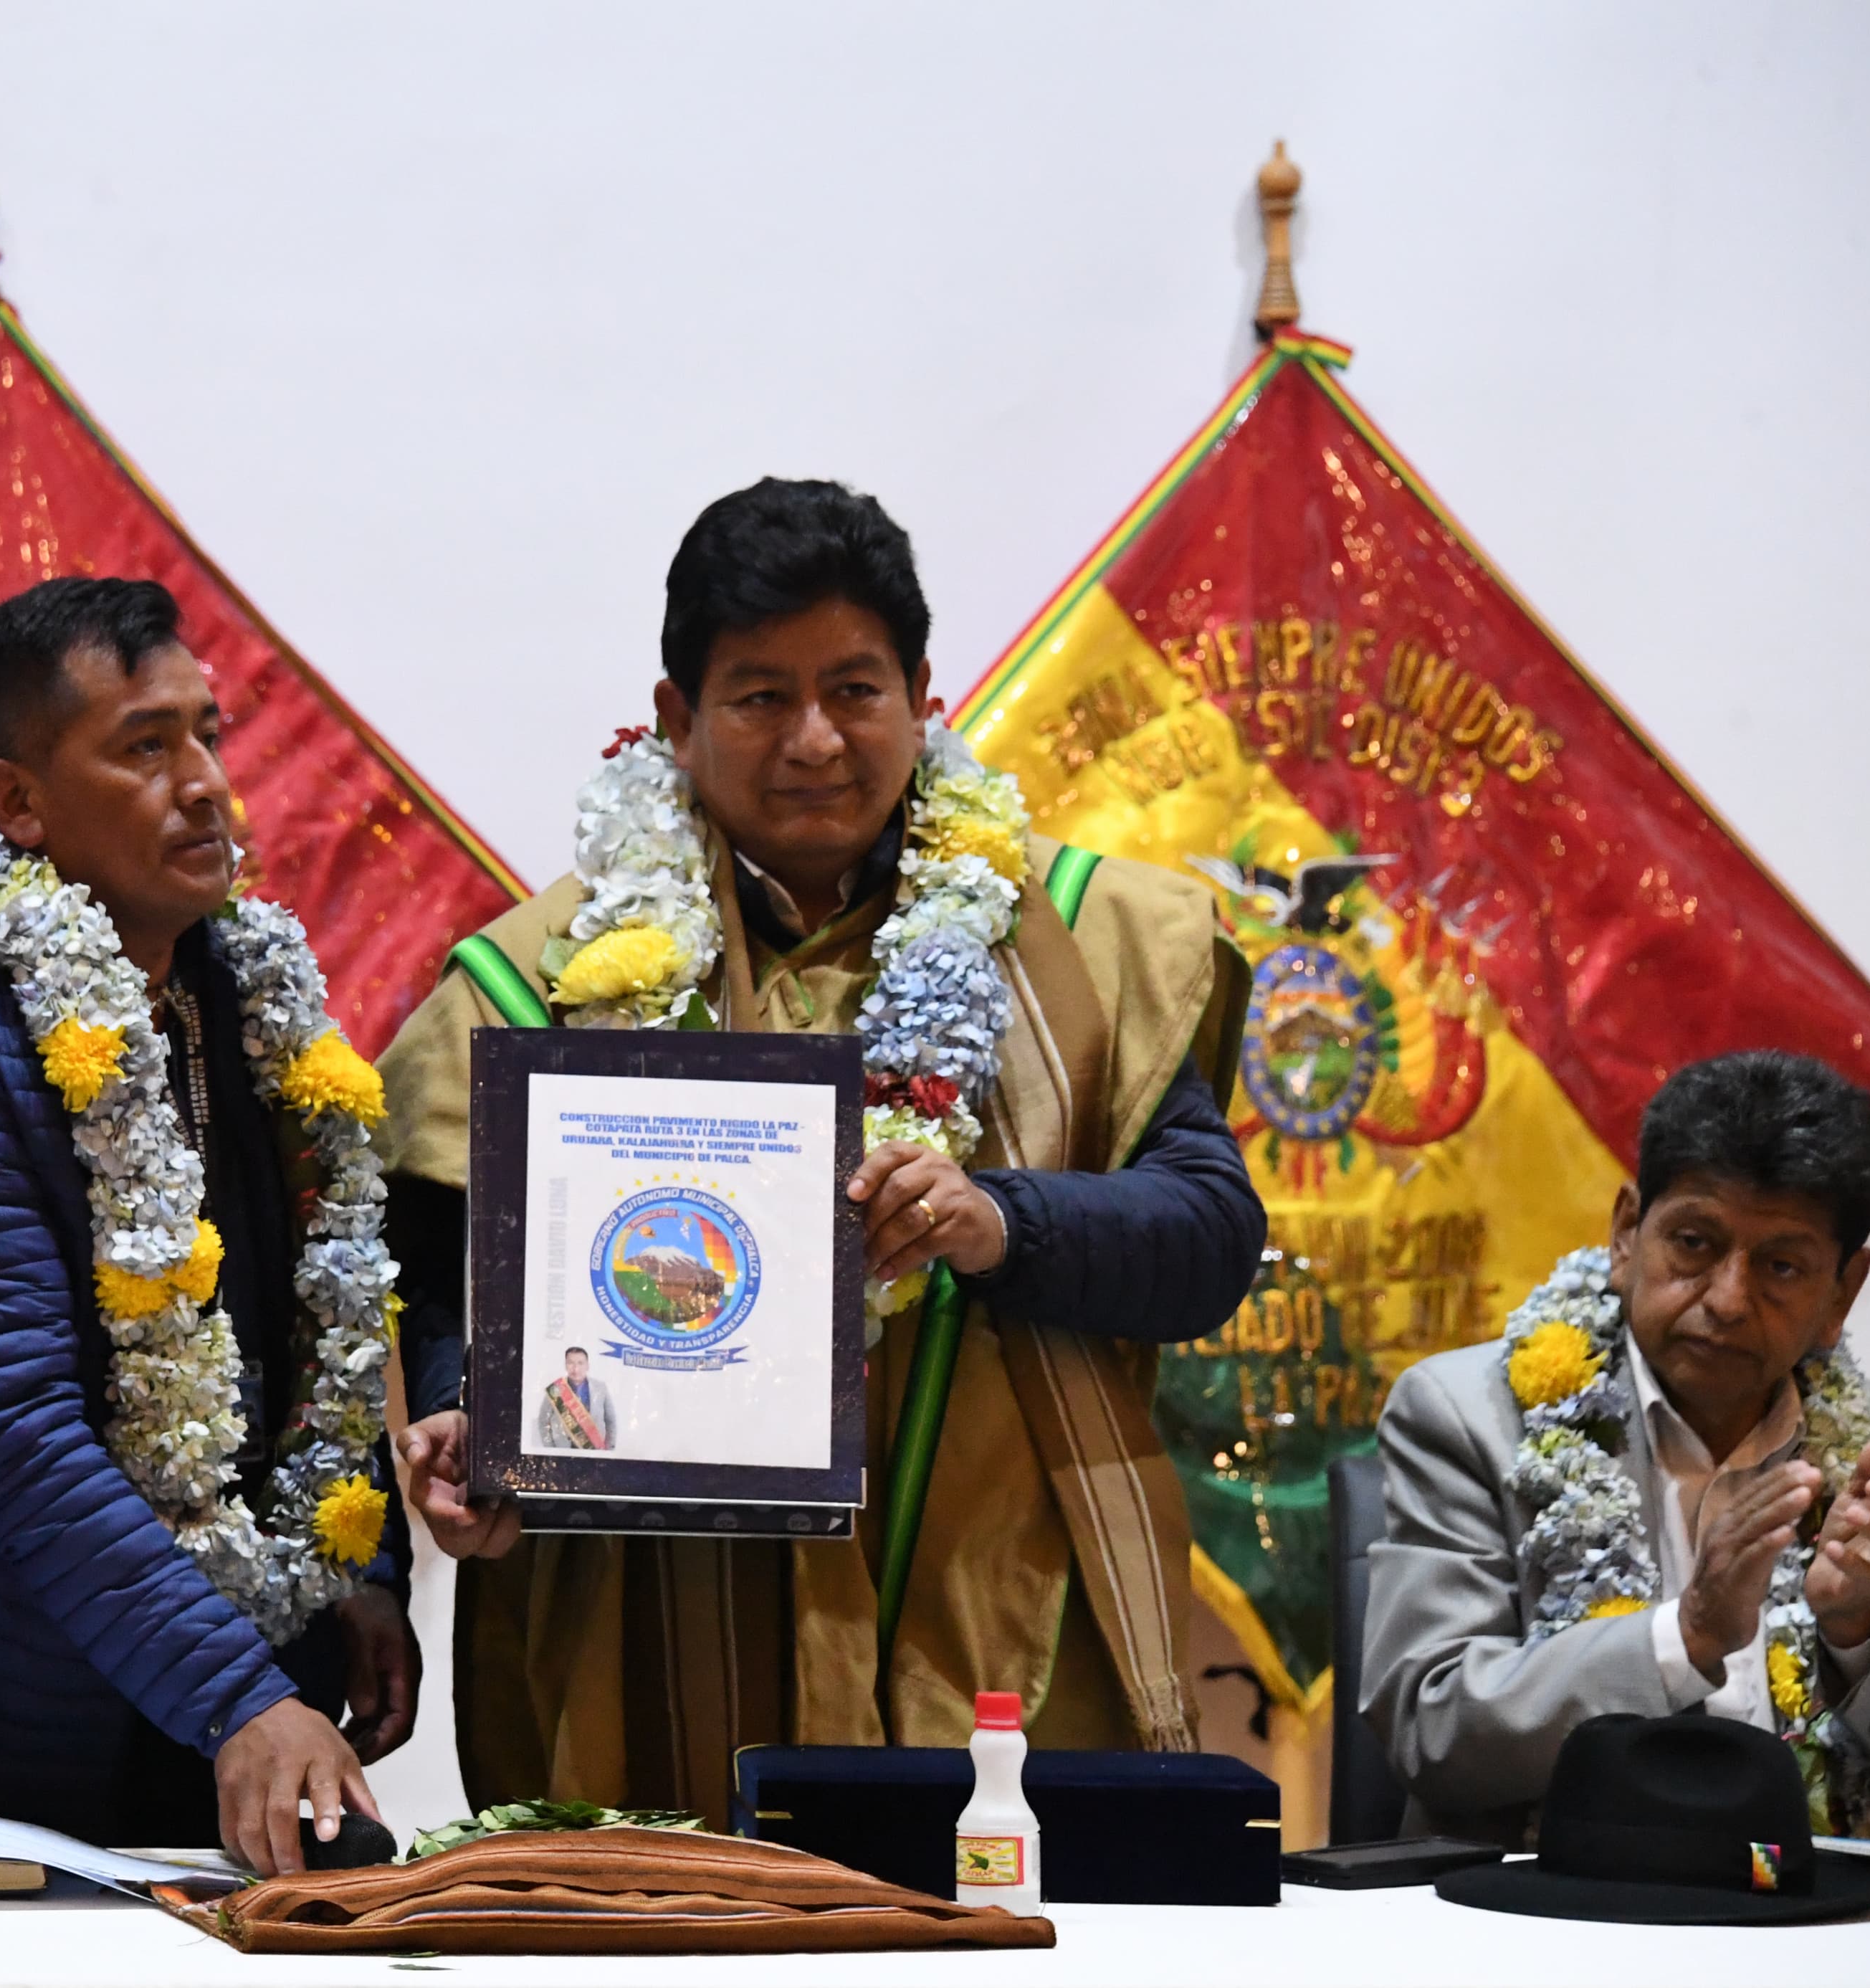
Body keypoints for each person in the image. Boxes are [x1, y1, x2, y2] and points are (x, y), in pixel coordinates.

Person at [376, 480, 1265, 1825]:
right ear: (676, 718)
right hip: (646, 1638)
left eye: (854, 690)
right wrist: (465, 1424)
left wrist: (1000, 1220)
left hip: (998, 1615)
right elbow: (440, 1283)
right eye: (759, 697)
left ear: (923, 697)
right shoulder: (540, 980)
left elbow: (1209, 1240)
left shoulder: (1094, 945)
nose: (814, 740)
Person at [0, 576, 416, 1876]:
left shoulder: (242, 995)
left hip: (212, 1699)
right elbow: (11, 1443)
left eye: (208, 735)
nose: (207, 786)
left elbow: (314, 1327)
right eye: (145, 747)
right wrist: (239, 1696)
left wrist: (362, 1565)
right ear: (17, 802)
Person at [1364, 1050, 1870, 1843]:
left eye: (1780, 1265)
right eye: (1693, 1242)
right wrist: (1683, 1636)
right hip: (1546, 1900)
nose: (1727, 1299)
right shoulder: (1466, 1418)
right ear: (1627, 1232)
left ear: (1842, 1291)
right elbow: (1429, 1730)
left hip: (1823, 1908)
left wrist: (1861, 1631)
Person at [538, 1346, 618, 1451]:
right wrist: (550, 1450)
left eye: (580, 1363)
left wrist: (609, 1450)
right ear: (565, 1365)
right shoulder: (555, 1389)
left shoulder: (600, 1388)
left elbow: (611, 1421)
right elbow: (543, 1421)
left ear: (587, 1366)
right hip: (563, 1450)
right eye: (571, 1363)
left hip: (594, 1450)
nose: (576, 1368)